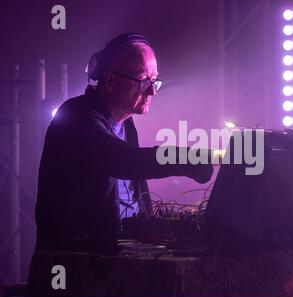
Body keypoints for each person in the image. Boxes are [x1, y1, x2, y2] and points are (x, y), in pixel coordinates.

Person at [34, 33, 213, 254]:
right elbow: (124, 161)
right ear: (110, 80)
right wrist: (188, 159)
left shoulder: (127, 124)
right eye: (144, 81)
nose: (152, 91)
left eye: (155, 81)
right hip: (78, 260)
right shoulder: (75, 116)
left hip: (120, 247)